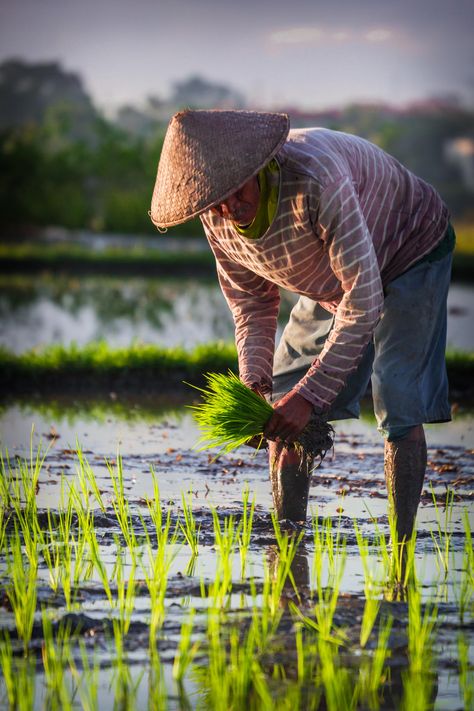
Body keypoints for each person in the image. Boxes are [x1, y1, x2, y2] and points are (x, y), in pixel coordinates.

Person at [150, 109, 454, 545]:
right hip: (334, 279)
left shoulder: (316, 178)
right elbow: (252, 302)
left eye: (237, 192)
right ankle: (289, 544)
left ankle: (400, 548)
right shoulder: (216, 212)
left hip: (410, 247)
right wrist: (254, 384)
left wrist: (311, 398)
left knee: (399, 394)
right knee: (282, 400)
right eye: (216, 201)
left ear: (259, 168)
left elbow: (364, 300)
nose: (229, 209)